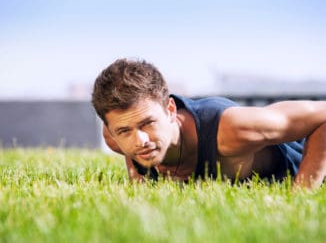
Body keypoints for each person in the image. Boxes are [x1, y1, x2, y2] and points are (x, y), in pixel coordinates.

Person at [92, 58, 326, 189]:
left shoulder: (232, 129)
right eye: (125, 130)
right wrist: (137, 180)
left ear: (170, 110)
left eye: (148, 123)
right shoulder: (115, 135)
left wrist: (299, 195)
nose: (140, 140)